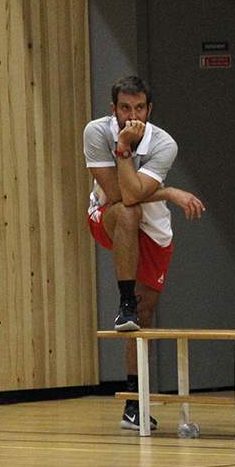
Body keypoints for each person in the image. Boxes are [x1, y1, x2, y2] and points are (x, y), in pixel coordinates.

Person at [83, 75, 204, 430]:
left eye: (139, 108)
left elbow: (135, 191)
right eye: (124, 108)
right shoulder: (96, 132)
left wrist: (158, 194)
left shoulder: (164, 143)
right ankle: (124, 302)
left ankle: (135, 407)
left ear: (149, 110)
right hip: (108, 215)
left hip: (154, 230)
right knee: (127, 213)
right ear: (113, 109)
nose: (131, 115)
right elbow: (122, 196)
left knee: (146, 312)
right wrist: (167, 191)